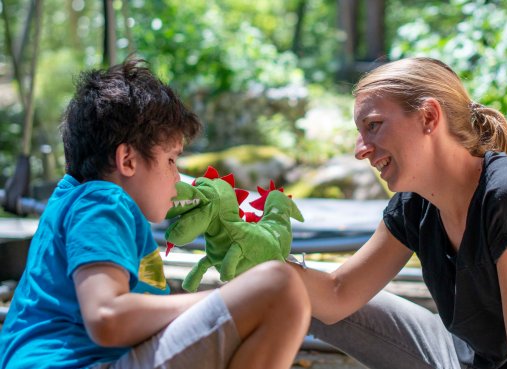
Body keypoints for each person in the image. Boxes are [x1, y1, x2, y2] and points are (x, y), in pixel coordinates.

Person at [0, 57, 311, 369]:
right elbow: (106, 317)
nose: (177, 179)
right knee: (277, 285)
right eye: (172, 160)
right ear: (128, 160)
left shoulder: (74, 199)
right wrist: (224, 301)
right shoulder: (101, 201)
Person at [288, 57, 507, 369]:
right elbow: (337, 294)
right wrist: (249, 253)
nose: (360, 149)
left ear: (429, 116)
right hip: (456, 358)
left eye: (373, 125)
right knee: (291, 291)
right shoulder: (415, 203)